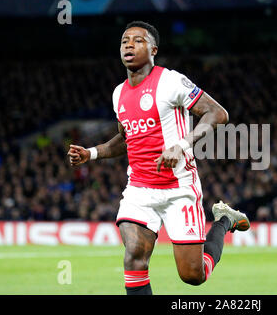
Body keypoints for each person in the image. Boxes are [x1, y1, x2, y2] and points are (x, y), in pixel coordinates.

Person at [67, 21, 250, 295]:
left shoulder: (170, 81)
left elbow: (217, 113)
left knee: (193, 276)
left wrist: (182, 144)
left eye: (138, 40)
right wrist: (92, 153)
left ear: (153, 49)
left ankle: (223, 220)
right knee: (134, 256)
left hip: (178, 187)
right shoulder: (119, 93)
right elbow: (126, 138)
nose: (129, 44)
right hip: (139, 189)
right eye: (124, 40)